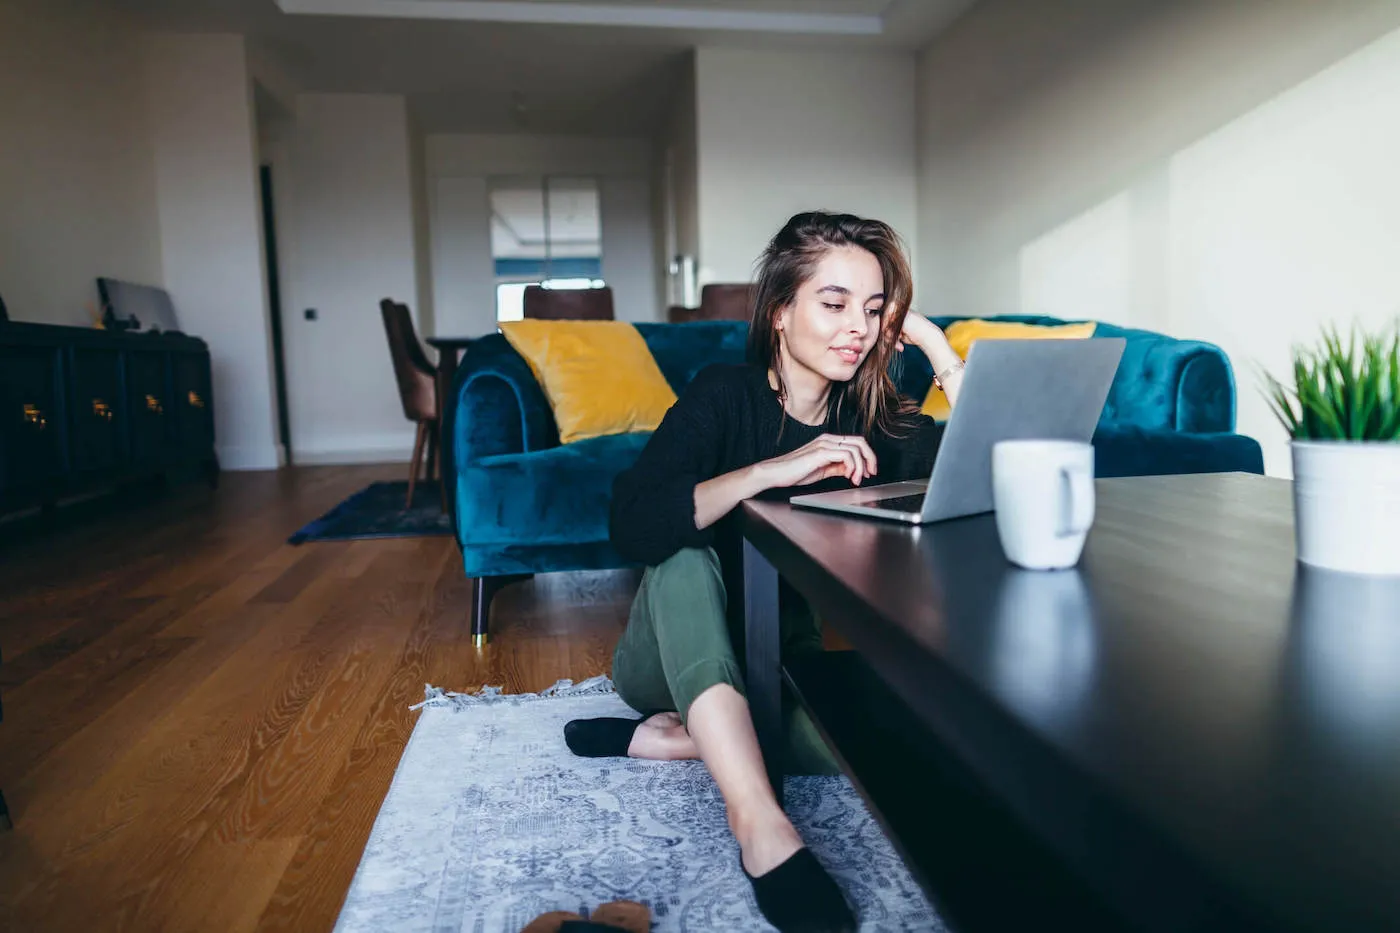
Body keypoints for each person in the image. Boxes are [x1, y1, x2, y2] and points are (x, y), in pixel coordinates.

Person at [564, 211, 967, 933]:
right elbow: (634, 519)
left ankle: (672, 739)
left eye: (874, 310)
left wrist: (937, 347)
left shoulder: (872, 417)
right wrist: (771, 471)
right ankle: (760, 824)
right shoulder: (725, 393)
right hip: (667, 653)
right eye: (835, 303)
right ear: (781, 312)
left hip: (780, 663)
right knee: (684, 549)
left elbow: (983, 466)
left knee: (890, 745)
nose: (858, 327)